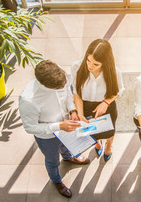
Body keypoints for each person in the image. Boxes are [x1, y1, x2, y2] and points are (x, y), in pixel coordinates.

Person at [19, 60, 90, 198]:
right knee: (52, 161)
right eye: (59, 87)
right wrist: (59, 126)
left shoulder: (58, 76)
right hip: (48, 137)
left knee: (66, 147)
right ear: (42, 84)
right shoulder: (28, 100)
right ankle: (56, 181)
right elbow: (30, 127)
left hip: (67, 125)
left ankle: (68, 157)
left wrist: (72, 110)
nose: (63, 86)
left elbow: (68, 94)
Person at [71, 39, 125, 162]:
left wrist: (105, 103)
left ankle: (109, 146)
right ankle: (97, 144)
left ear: (105, 63)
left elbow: (119, 90)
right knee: (91, 132)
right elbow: (76, 93)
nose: (90, 66)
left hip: (106, 106)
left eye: (96, 64)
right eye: (88, 60)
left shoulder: (114, 71)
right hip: (84, 106)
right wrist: (80, 114)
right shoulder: (76, 67)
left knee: (109, 132)